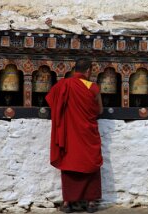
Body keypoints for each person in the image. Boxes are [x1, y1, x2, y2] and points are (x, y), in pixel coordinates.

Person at [45, 58, 104, 213]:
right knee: (91, 164)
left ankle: (67, 202)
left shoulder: (64, 85)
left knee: (70, 163)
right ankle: (91, 203)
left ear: (75, 70)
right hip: (88, 134)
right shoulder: (93, 87)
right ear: (88, 71)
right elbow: (100, 110)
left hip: (70, 134)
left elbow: (52, 101)